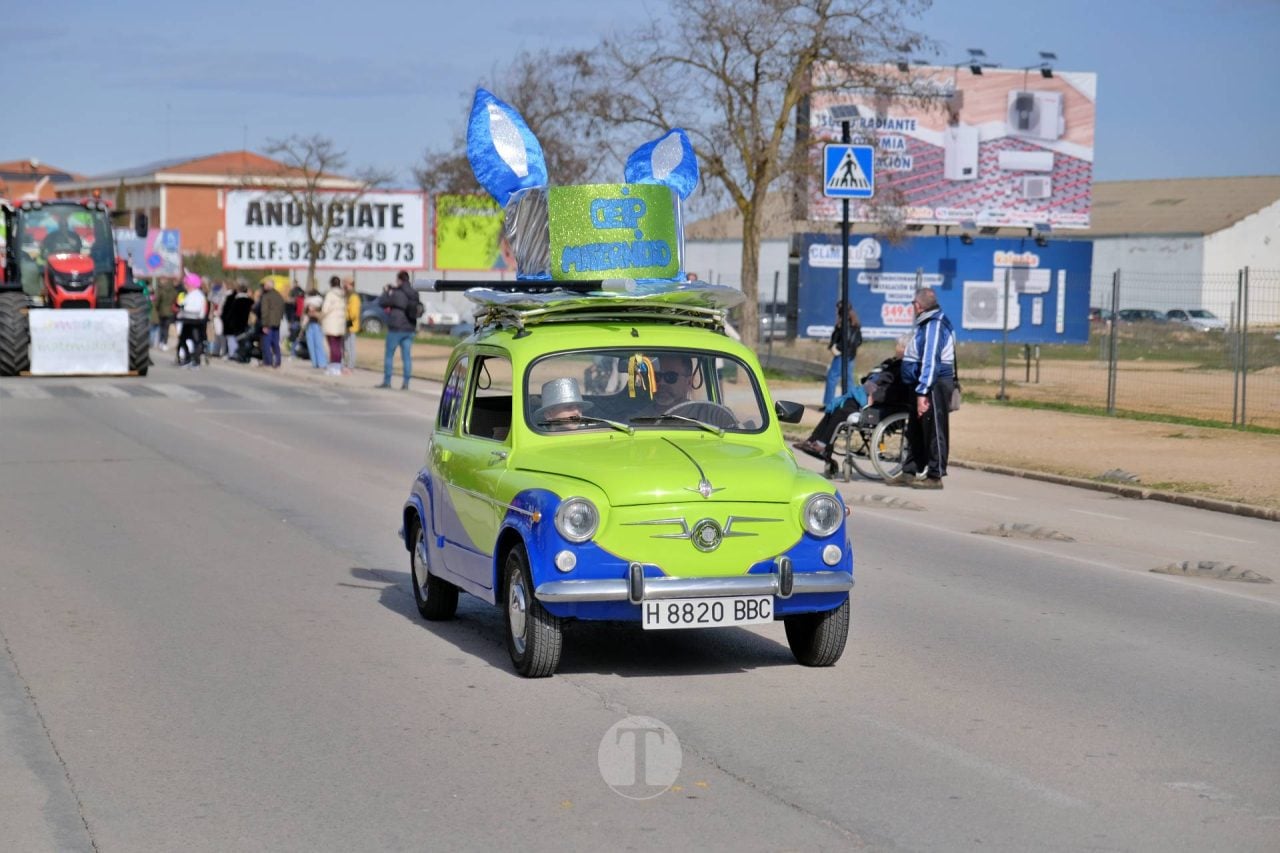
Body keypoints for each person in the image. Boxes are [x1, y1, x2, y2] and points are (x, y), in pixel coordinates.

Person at [794, 335, 912, 469]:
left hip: (883, 405)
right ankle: (814, 441)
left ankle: (822, 445)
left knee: (842, 410)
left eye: (900, 346)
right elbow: (873, 379)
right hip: (871, 398)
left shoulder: (906, 368)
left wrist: (874, 395)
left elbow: (896, 391)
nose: (896, 348)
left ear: (907, 349)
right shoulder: (893, 362)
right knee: (836, 405)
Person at [886, 287, 956, 490]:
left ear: (918, 305)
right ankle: (910, 471)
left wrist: (923, 392)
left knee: (934, 429)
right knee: (915, 430)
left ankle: (935, 475)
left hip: (933, 385)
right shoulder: (926, 323)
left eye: (913, 304)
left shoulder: (934, 325)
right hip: (922, 384)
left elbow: (930, 361)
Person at [377, 270, 420, 389]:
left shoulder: (397, 293)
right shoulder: (414, 293)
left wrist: (386, 292)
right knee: (406, 357)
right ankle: (406, 383)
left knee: (389, 355)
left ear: (399, 280)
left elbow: (382, 303)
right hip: (410, 328)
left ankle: (387, 381)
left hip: (396, 328)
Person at [823, 301, 862, 409]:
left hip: (842, 356)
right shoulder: (854, 323)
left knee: (832, 377)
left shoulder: (845, 323)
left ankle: (829, 403)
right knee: (849, 379)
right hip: (850, 356)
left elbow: (847, 339)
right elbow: (858, 341)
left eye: (837, 309)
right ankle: (850, 404)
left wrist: (837, 348)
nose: (836, 311)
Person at [175, 273, 207, 368]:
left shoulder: (198, 295)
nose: (185, 286)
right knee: (183, 340)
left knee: (196, 341)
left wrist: (184, 308)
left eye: (186, 284)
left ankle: (196, 361)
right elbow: (182, 304)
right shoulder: (189, 294)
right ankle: (188, 359)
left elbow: (197, 309)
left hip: (195, 321)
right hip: (187, 320)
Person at [320, 276, 347, 376]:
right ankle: (338, 366)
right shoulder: (343, 295)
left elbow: (325, 309)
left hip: (330, 322)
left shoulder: (330, 294)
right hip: (340, 323)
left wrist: (320, 316)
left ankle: (333, 367)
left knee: (332, 346)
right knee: (338, 345)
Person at [257, 278, 286, 368]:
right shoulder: (279, 295)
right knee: (276, 343)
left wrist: (264, 324)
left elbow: (264, 311)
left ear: (268, 286)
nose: (264, 287)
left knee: (266, 343)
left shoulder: (266, 296)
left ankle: (268, 361)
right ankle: (278, 361)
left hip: (268, 322)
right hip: (277, 322)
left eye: (265, 285)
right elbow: (282, 309)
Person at [221, 282, 253, 359]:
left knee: (233, 339)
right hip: (245, 324)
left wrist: (227, 321)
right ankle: (242, 354)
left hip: (235, 324)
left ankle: (233, 354)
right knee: (243, 340)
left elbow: (230, 312)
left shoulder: (235, 300)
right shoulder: (250, 301)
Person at [302, 286, 327, 369]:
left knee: (317, 344)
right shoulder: (309, 303)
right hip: (311, 325)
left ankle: (321, 363)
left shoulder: (319, 304)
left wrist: (313, 312)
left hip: (316, 325)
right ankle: (316, 363)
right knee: (313, 345)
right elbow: (305, 313)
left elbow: (321, 315)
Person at [154, 277, 178, 351]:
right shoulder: (174, 291)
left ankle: (161, 342)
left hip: (162, 311)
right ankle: (164, 343)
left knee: (162, 327)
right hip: (170, 312)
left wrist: (157, 308)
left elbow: (157, 301)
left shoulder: (162, 291)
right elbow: (176, 300)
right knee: (166, 328)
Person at [343, 279, 360, 373]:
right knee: (346, 346)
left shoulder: (353, 297)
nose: (344, 286)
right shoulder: (348, 295)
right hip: (348, 324)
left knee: (350, 346)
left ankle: (351, 365)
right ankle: (348, 364)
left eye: (346, 284)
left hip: (351, 325)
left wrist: (347, 324)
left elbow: (353, 314)